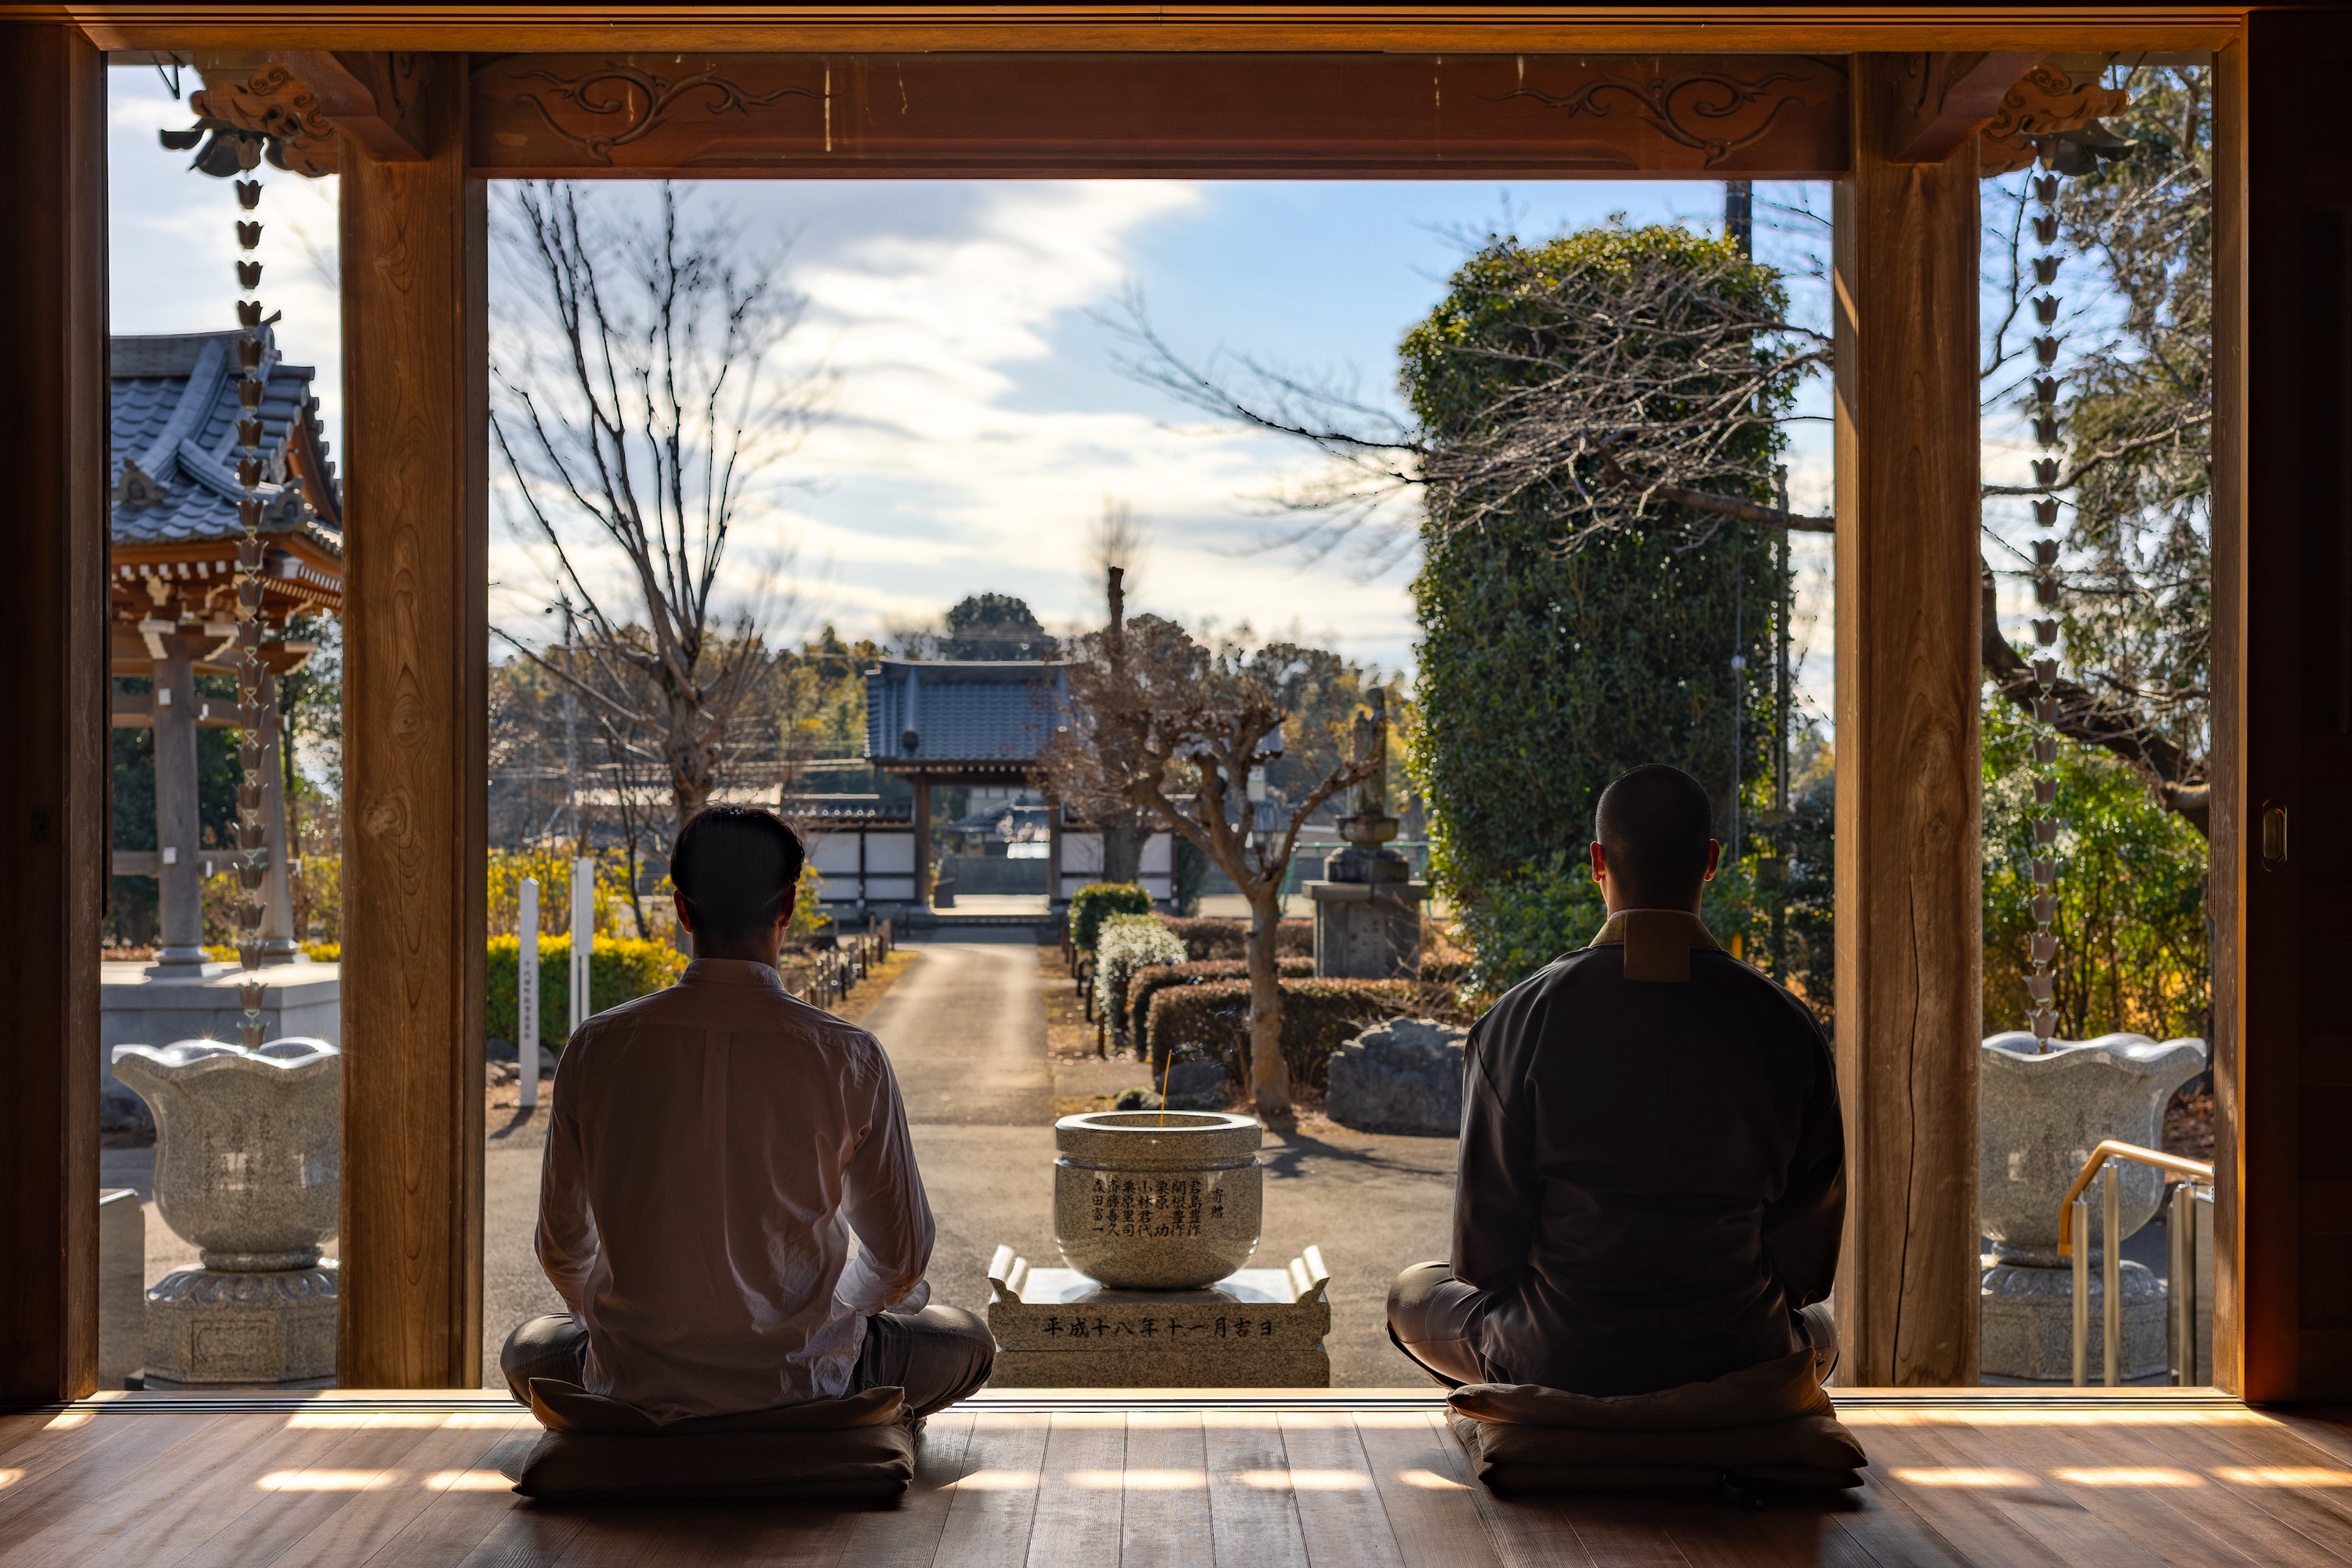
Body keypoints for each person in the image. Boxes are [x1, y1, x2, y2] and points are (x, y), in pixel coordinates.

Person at [499, 804, 993, 1424]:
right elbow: (901, 1261)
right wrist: (830, 1316)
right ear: (786, 907)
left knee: (526, 1351)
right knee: (968, 1343)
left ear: (682, 910)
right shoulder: (848, 1054)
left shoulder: (598, 1045)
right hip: (807, 1379)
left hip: (634, 1380)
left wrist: (621, 1327)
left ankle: (643, 1431)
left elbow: (563, 1249)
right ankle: (830, 1429)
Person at [1388, 764, 1843, 1396]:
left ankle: (1547, 1422)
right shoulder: (1789, 1026)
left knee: (1414, 1291)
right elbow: (1806, 1270)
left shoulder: (1519, 1019)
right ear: (1711, 861)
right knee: (1820, 1328)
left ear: (1598, 861)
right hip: (1739, 1353)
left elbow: (1484, 1261)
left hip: (1555, 1354)